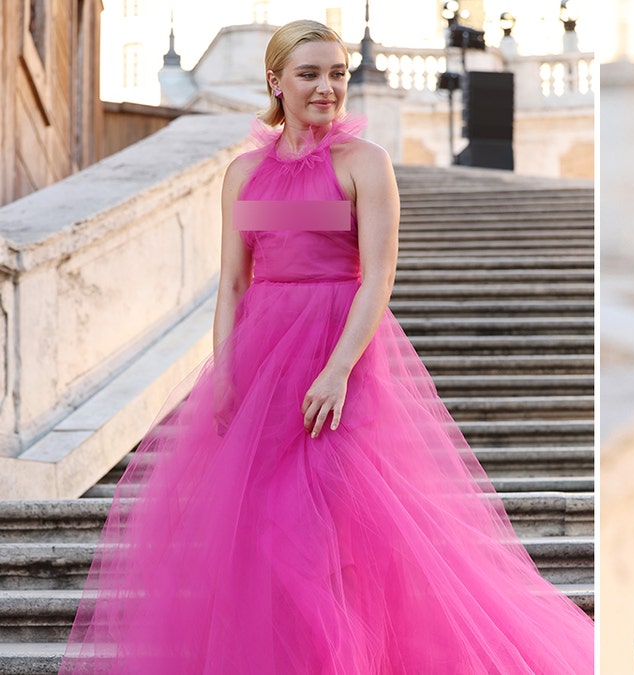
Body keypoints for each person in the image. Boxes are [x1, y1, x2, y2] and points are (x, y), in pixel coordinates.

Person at [61, 19, 593, 674]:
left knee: (324, 539)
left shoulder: (365, 165)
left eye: (337, 73)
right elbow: (231, 282)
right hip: (263, 364)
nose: (327, 87)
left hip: (340, 360)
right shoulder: (243, 175)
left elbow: (379, 276)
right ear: (275, 82)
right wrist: (225, 372)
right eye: (310, 74)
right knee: (262, 539)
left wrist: (339, 368)